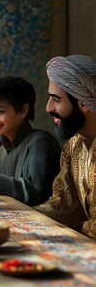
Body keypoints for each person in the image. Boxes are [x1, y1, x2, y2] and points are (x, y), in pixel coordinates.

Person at [0, 77, 61, 206]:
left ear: (23, 110)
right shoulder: (0, 152)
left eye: (1, 111)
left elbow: (33, 193)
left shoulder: (40, 141)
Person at [34, 55, 96, 239]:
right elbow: (64, 206)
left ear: (83, 102)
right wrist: (24, 217)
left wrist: (68, 235)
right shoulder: (73, 145)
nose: (48, 107)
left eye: (56, 99)